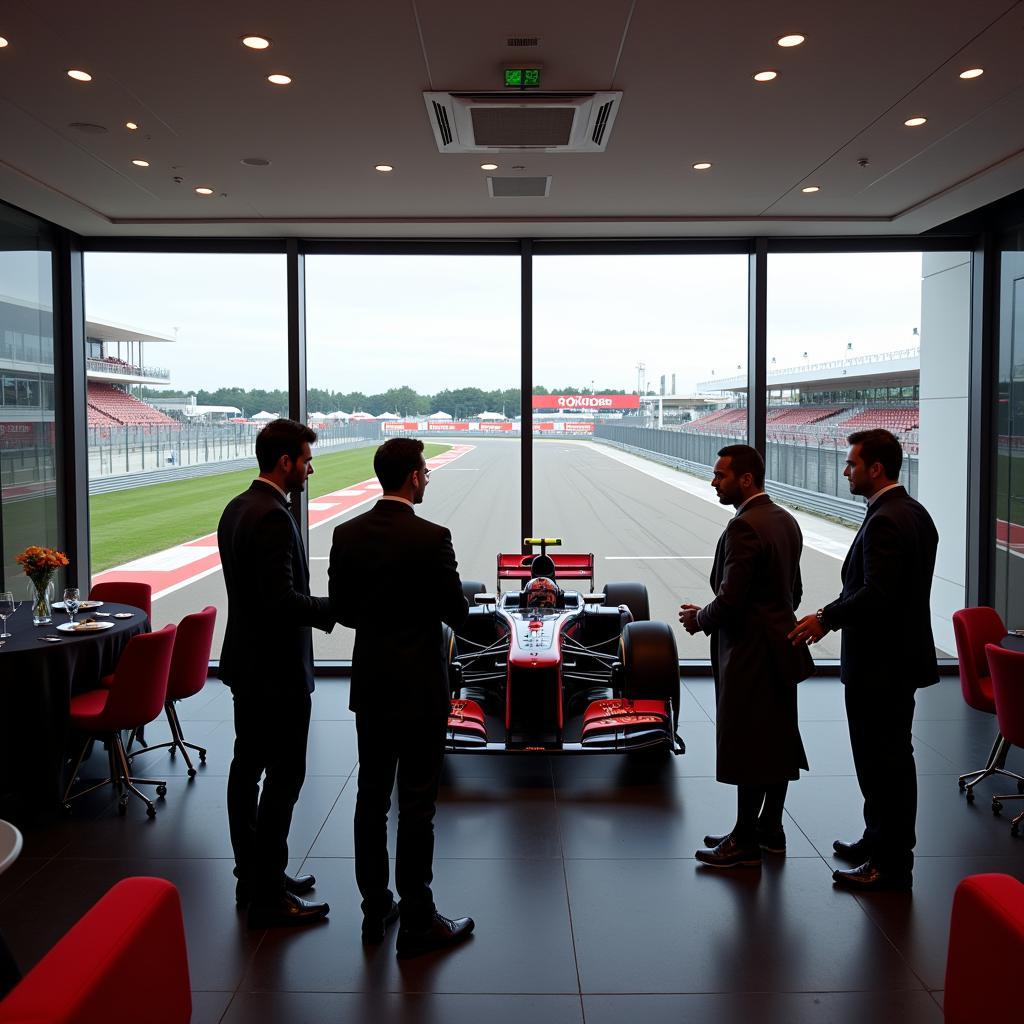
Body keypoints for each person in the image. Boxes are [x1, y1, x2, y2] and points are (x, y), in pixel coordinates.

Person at [328, 437, 474, 958]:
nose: (428, 479)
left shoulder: (346, 534)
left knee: (371, 799)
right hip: (420, 688)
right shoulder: (433, 537)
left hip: (371, 684)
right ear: (413, 477)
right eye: (426, 472)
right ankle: (418, 915)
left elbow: (341, 612)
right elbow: (457, 615)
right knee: (416, 804)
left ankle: (374, 909)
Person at [789, 428, 938, 892]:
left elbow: (876, 594)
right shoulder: (915, 513)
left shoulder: (888, 520)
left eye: (852, 463)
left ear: (876, 468)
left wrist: (824, 617)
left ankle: (891, 864)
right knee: (888, 759)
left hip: (881, 664)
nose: (845, 470)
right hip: (897, 659)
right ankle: (879, 839)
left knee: (883, 763)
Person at [218, 418, 335, 928]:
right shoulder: (271, 516)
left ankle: (256, 873)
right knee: (285, 777)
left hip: (247, 663)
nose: (310, 469)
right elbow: (280, 601)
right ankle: (269, 891)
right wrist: (332, 609)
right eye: (306, 460)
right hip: (277, 672)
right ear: (284, 462)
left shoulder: (236, 507)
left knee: (246, 770)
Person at [680, 444, 813, 868]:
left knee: (748, 746)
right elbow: (794, 592)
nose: (713, 481)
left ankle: (743, 840)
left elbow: (731, 601)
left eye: (720, 475)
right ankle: (770, 829)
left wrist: (699, 618)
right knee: (777, 741)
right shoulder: (786, 520)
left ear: (746, 479)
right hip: (782, 645)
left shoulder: (744, 528)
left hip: (750, 653)